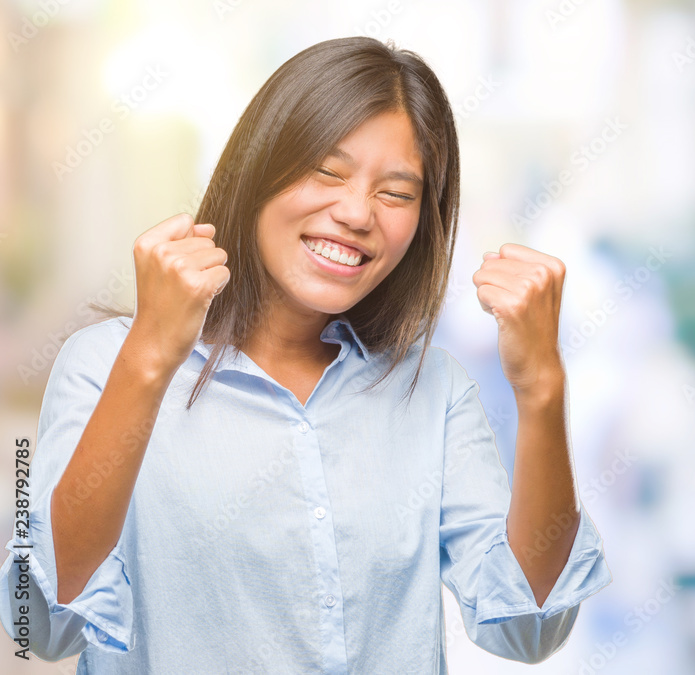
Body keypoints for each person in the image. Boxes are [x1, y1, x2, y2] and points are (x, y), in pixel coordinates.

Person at [0, 36, 612, 673]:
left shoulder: (434, 388)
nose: (355, 213)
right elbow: (40, 622)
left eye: (397, 193)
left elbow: (528, 626)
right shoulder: (102, 365)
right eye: (328, 170)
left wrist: (541, 387)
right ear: (259, 166)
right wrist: (150, 356)